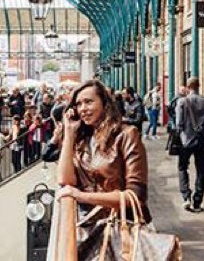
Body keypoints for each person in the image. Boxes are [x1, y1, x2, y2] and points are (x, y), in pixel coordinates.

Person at [57, 80, 151, 240]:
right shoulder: (82, 139)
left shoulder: (127, 134)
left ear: (104, 103)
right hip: (90, 226)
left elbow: (136, 196)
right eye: (78, 104)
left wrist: (81, 196)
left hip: (121, 228)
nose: (83, 109)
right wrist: (69, 134)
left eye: (88, 102)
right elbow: (64, 179)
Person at [175, 77, 204, 213]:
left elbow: (179, 124)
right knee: (201, 170)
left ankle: (186, 196)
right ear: (199, 85)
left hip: (186, 140)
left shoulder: (182, 101)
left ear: (187, 86)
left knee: (182, 167)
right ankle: (197, 201)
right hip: (202, 140)